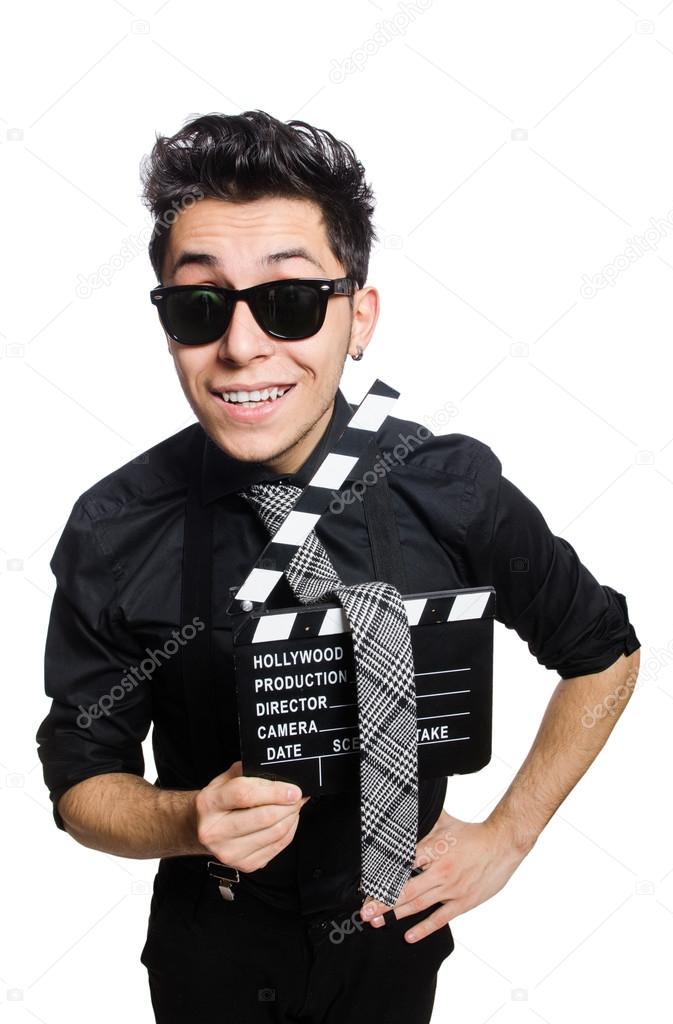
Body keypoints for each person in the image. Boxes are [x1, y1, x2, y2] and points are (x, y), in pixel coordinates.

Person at [36, 110, 641, 1024]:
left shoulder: (451, 486)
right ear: (168, 328)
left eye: (288, 302)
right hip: (214, 953)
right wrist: (189, 818)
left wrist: (510, 836)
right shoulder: (116, 525)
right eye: (201, 306)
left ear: (358, 317)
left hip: (397, 941)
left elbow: (603, 650)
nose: (242, 347)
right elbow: (81, 779)